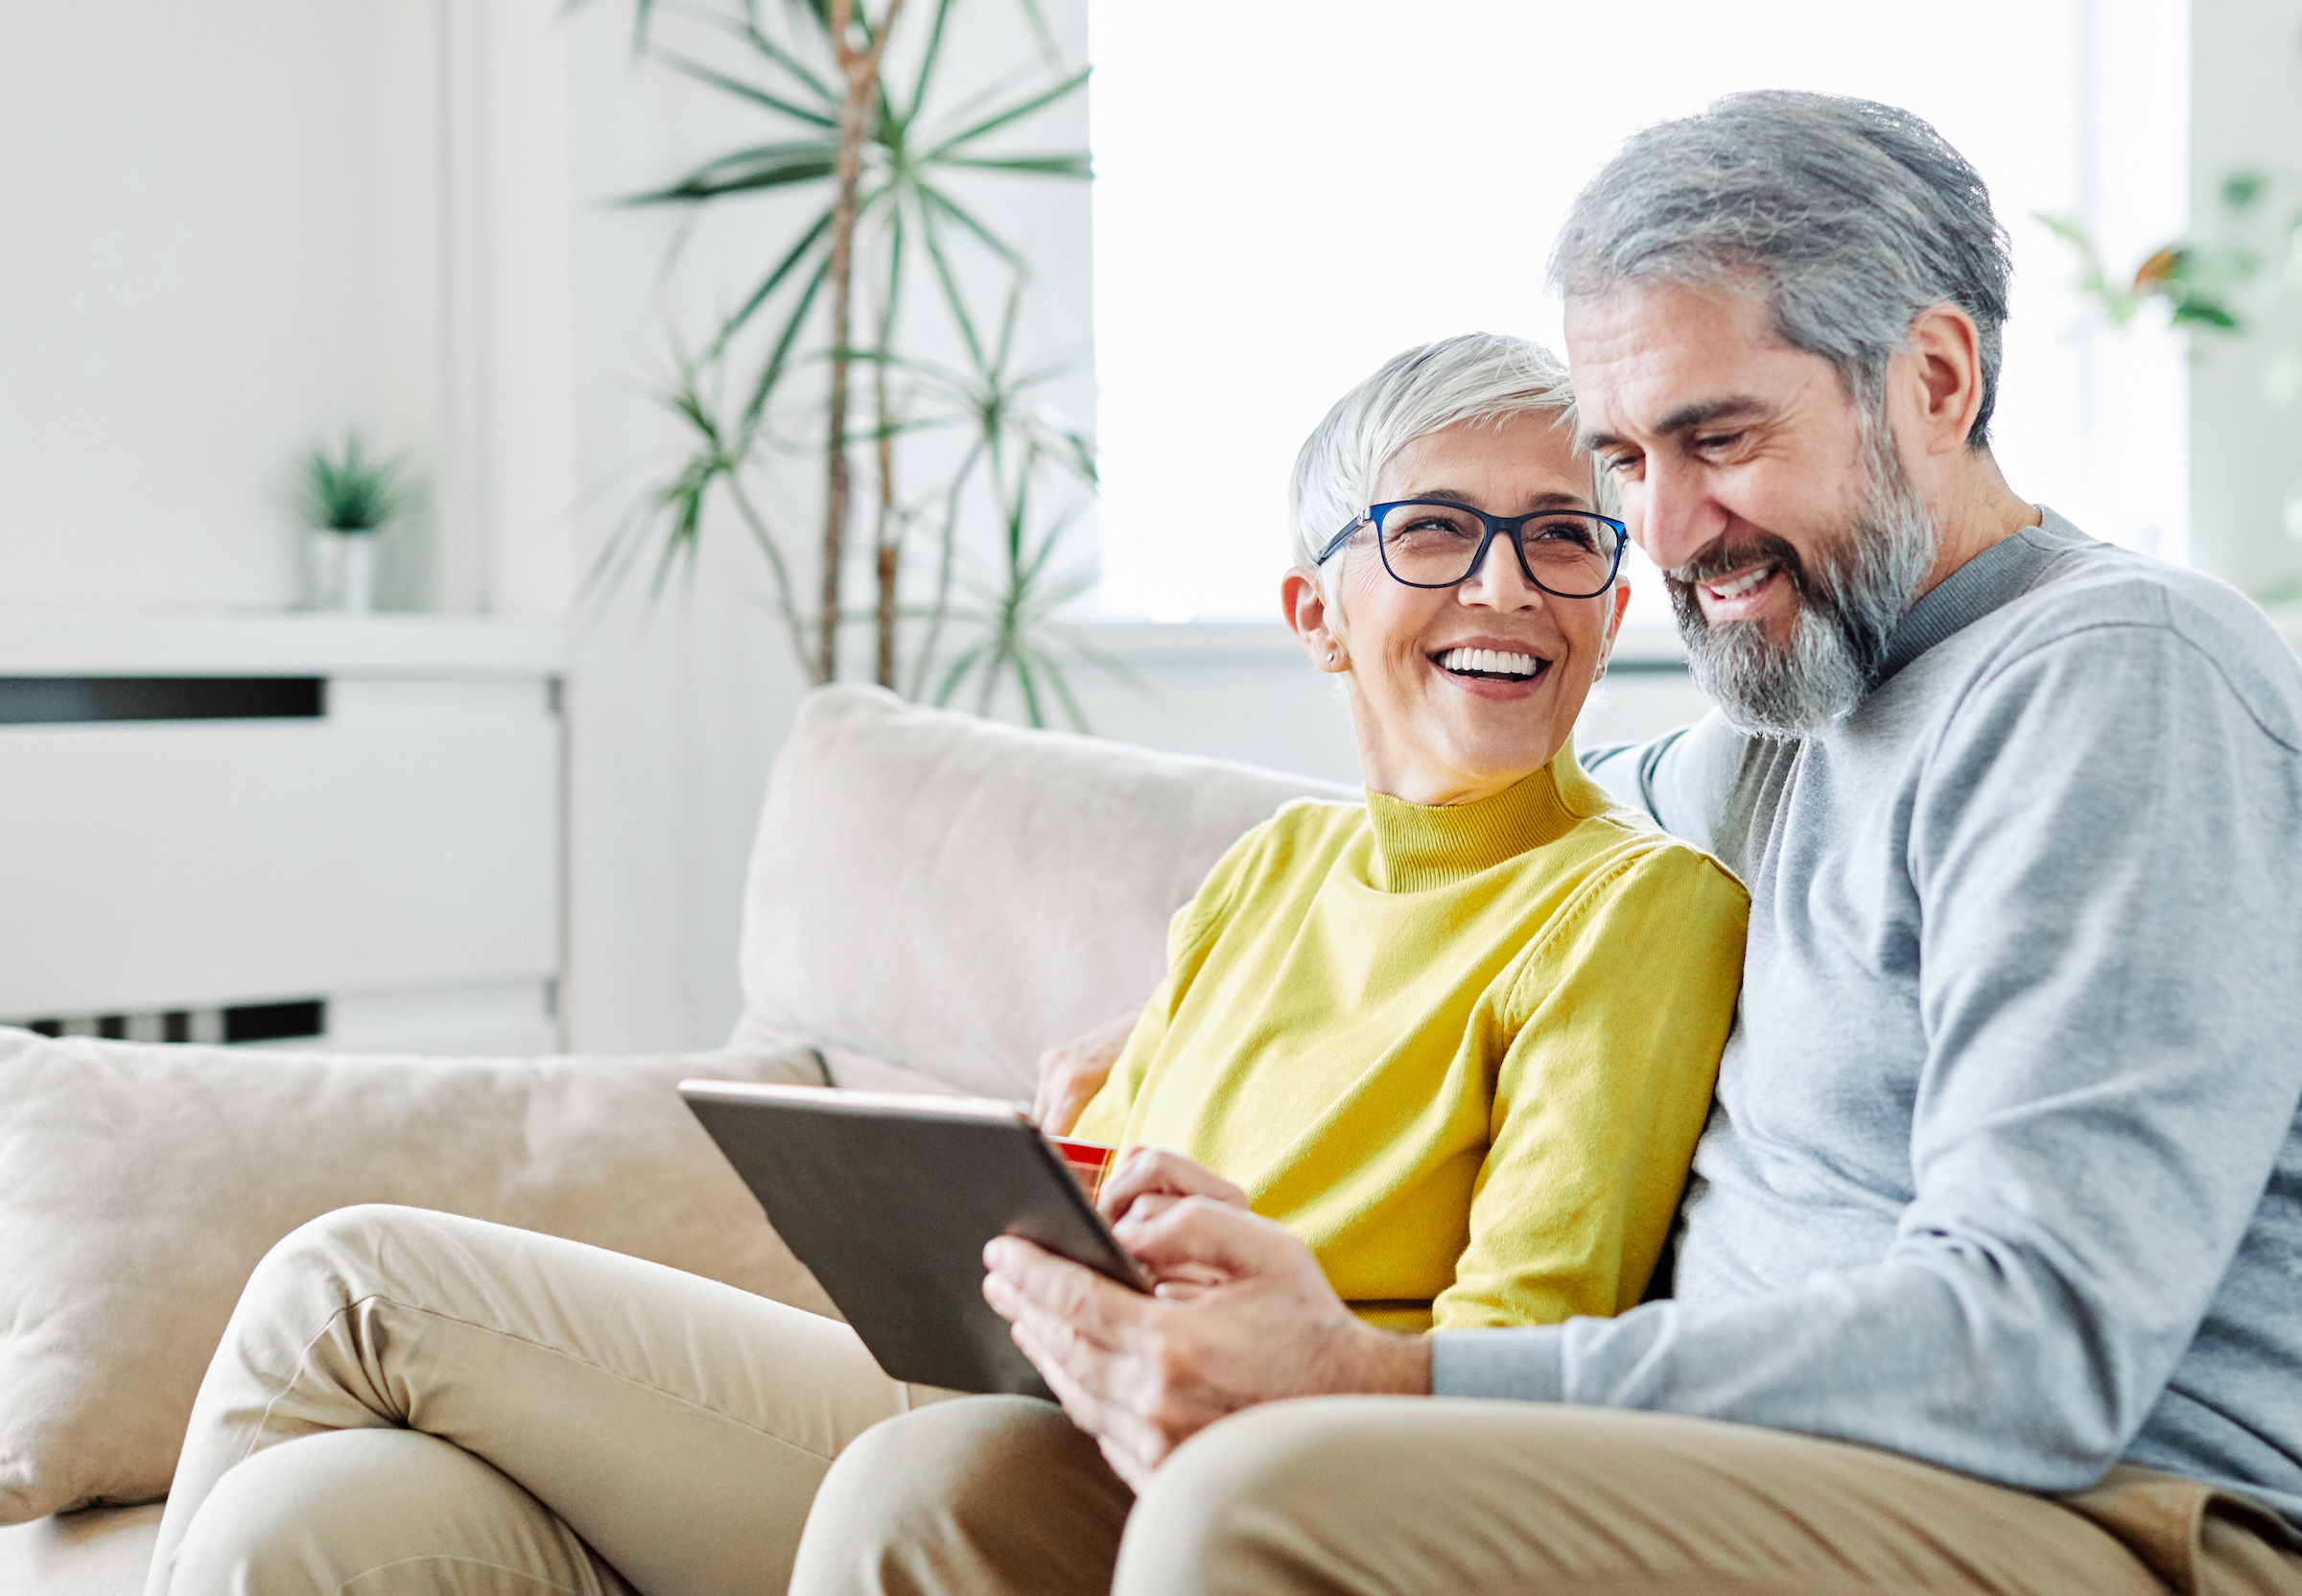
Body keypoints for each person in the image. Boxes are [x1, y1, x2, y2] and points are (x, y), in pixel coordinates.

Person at [788, 92, 2302, 1596]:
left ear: (1935, 378)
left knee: (1255, 1498)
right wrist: (1206, 1003)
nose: (1676, 525)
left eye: (1719, 438)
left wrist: (1380, 1381)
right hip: (1758, 1473)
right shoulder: (1798, 718)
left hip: (2102, 1511)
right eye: (1627, 461)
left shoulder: (2119, 679)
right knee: (953, 1492)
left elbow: (2031, 1348)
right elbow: (1488, 831)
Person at [143, 335, 1750, 1596]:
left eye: (1562, 541)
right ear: (1316, 614)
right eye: (1436, 533)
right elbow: (1144, 1182)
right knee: (305, 1528)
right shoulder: (1274, 870)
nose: (1503, 588)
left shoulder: (1636, 907)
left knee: (347, 1279)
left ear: (1613, 606)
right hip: (986, 1380)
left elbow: (1518, 1363)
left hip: (1155, 1463)